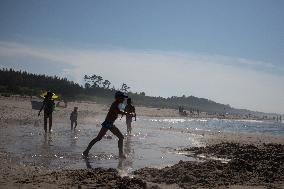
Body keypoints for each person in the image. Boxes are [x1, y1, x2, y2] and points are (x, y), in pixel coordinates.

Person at [82, 91, 131, 158]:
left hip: (109, 124)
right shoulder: (114, 104)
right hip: (108, 123)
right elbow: (118, 111)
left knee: (120, 137)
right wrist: (128, 114)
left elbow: (120, 110)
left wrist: (127, 112)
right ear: (118, 98)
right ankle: (86, 151)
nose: (124, 99)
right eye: (122, 98)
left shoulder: (117, 104)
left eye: (124, 98)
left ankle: (120, 154)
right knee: (99, 138)